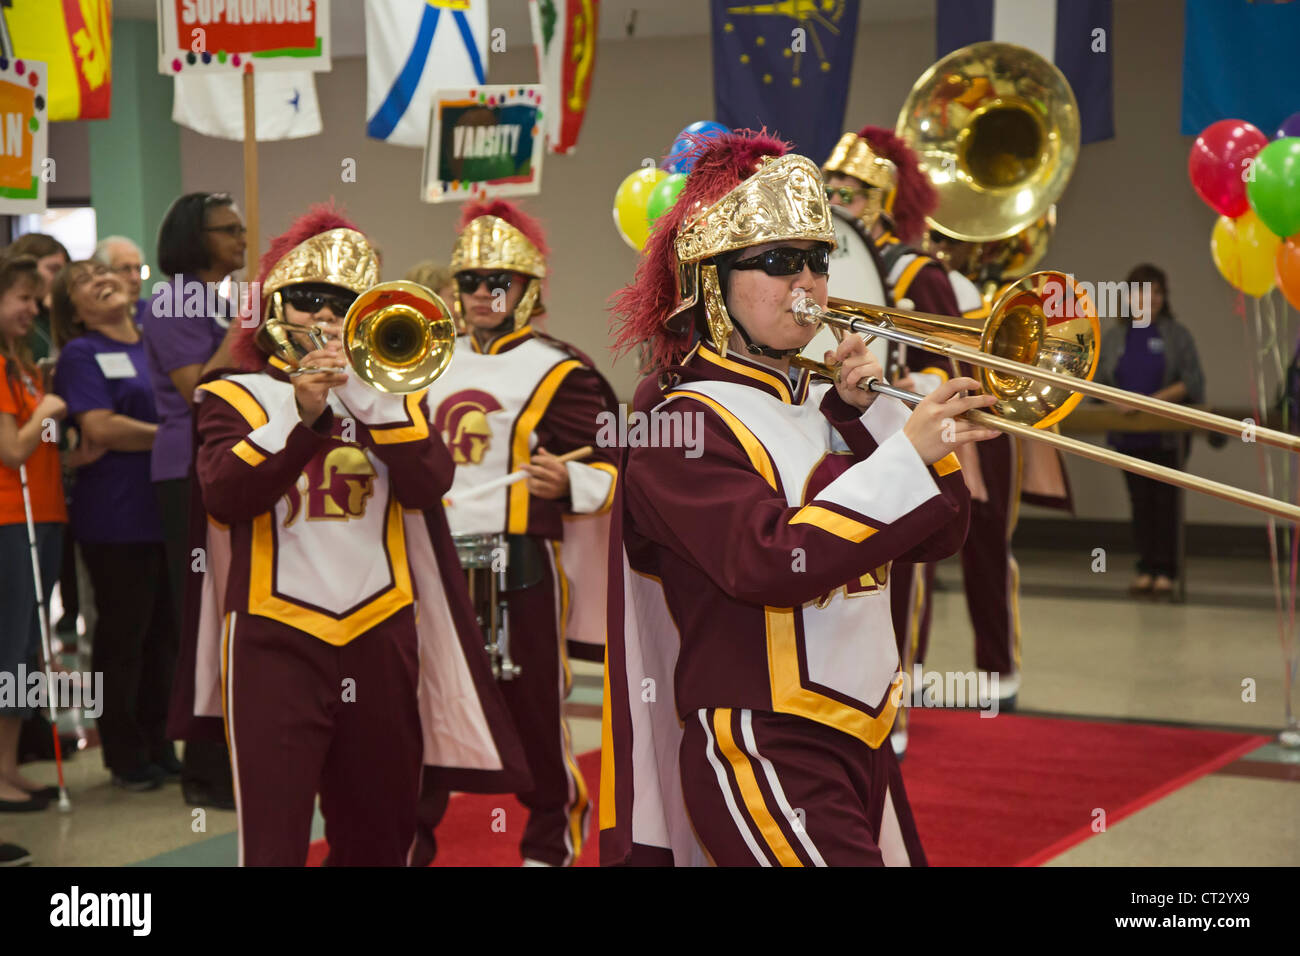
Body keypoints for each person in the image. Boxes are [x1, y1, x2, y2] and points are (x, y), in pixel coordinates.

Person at [601, 129, 997, 866]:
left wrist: (876, 417)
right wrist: (903, 454)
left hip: (865, 737)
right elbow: (770, 562)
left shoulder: (824, 405)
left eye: (818, 259)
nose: (810, 283)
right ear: (711, 283)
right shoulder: (677, 426)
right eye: (779, 263)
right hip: (763, 741)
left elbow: (939, 537)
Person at [168, 205, 528, 866]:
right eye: (308, 301)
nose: (327, 318)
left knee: (379, 834)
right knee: (273, 842)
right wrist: (299, 413)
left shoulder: (391, 397)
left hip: (380, 633)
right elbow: (225, 493)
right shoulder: (232, 395)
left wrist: (368, 398)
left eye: (344, 305)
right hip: (272, 640)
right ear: (275, 307)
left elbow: (429, 483)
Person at [413, 200, 618, 867]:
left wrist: (571, 481)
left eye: (497, 280)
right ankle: (409, 845)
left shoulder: (563, 368)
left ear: (528, 289)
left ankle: (547, 847)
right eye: (469, 279)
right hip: (429, 562)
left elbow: (617, 458)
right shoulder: (421, 358)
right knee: (422, 712)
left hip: (520, 562)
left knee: (532, 709)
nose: (480, 292)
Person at [50, 260, 176, 792]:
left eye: (103, 271)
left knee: (165, 636)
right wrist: (174, 433)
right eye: (82, 281)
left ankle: (160, 740)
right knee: (123, 636)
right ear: (72, 311)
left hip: (167, 509)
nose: (99, 279)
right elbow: (100, 427)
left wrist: (149, 432)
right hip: (115, 514)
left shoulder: (153, 341)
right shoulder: (82, 355)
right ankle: (122, 751)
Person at [142, 191, 247, 809]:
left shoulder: (221, 299)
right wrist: (247, 329)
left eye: (241, 228)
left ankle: (233, 754)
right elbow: (200, 390)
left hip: (223, 467)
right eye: (227, 230)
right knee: (201, 616)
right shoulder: (173, 299)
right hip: (189, 469)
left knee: (229, 612)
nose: (241, 238)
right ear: (193, 237)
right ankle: (206, 771)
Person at [0, 255, 67, 815]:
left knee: (24, 651)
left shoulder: (22, 364)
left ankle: (9, 765)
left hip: (43, 512)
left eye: (34, 298)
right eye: (21, 298)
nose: (32, 308)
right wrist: (46, 406)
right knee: (6, 650)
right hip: (7, 520)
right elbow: (11, 449)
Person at [1096, 264, 1205, 597]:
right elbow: (1097, 382)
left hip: (1167, 436)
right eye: (1143, 291)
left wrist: (1150, 402)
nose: (1150, 299)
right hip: (1128, 435)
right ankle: (1145, 567)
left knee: (1166, 502)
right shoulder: (1115, 336)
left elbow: (1192, 381)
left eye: (1157, 292)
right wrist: (1120, 402)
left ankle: (1167, 572)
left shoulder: (1177, 334)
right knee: (1140, 502)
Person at [6, 234, 70, 364]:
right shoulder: (16, 318)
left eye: (63, 273)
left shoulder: (48, 313)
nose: (60, 279)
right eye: (53, 269)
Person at [92, 236, 149, 328]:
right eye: (125, 269)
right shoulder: (92, 322)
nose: (135, 278)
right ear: (101, 274)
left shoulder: (152, 312)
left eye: (138, 269)